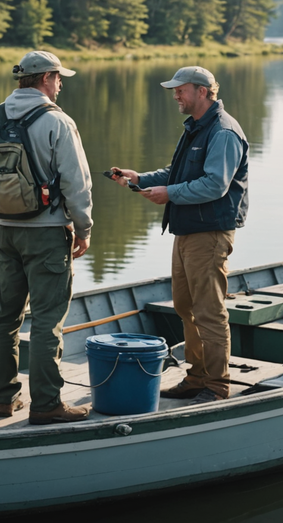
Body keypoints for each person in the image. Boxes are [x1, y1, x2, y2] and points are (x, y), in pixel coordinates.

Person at [0, 50, 94, 425]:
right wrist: (83, 228)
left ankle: (4, 400)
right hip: (47, 234)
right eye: (59, 78)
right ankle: (46, 403)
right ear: (45, 79)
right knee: (46, 321)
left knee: (4, 318)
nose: (61, 84)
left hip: (6, 234)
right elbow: (77, 183)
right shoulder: (58, 122)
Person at [111, 66, 248, 404]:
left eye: (181, 89)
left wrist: (169, 194)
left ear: (202, 91)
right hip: (187, 231)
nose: (175, 95)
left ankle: (216, 386)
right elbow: (177, 173)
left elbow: (215, 184)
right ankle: (196, 376)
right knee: (186, 307)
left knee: (209, 311)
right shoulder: (196, 128)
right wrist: (140, 178)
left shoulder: (223, 131)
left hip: (210, 233)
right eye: (174, 90)